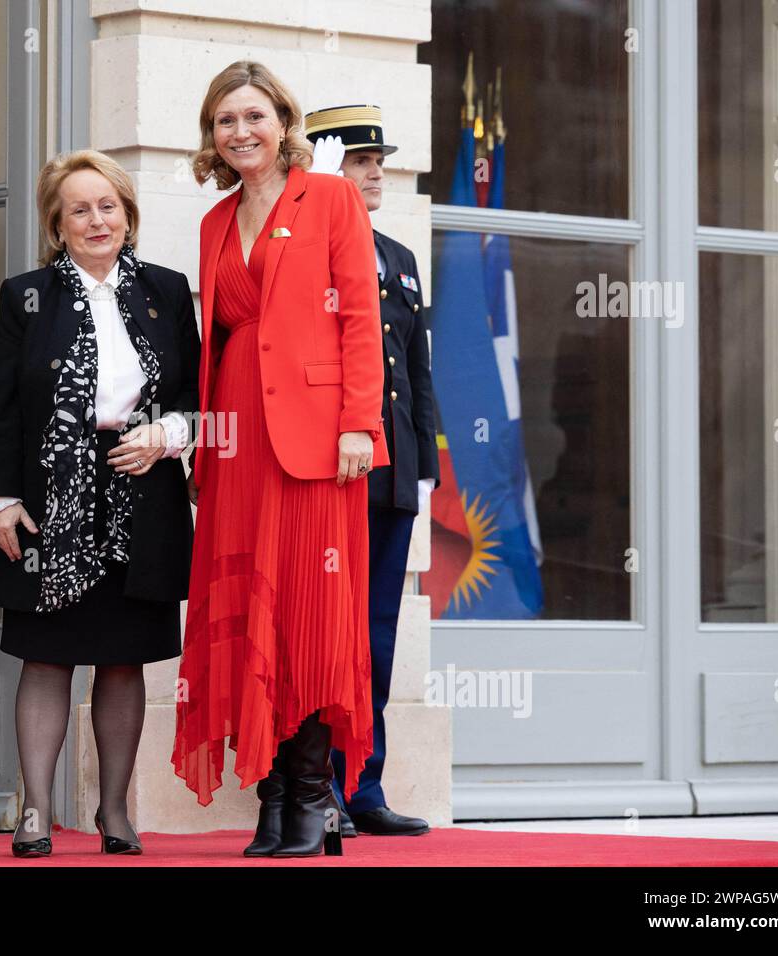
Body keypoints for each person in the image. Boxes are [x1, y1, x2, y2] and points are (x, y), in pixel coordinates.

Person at [172, 61, 388, 858]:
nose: (241, 132)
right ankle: (269, 802)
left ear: (284, 122)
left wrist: (359, 424)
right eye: (225, 120)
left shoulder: (328, 197)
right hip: (237, 442)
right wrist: (202, 446)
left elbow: (360, 316)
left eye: (254, 116)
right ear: (212, 135)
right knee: (248, 617)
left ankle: (309, 800)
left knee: (307, 615)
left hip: (320, 439)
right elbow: (219, 341)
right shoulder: (214, 222)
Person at [0, 149, 200, 858]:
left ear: (128, 217)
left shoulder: (168, 289)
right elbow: (2, 405)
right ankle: (35, 811)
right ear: (58, 224)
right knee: (45, 657)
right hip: (48, 499)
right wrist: (0, 501)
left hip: (143, 492)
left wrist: (168, 434)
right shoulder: (25, 296)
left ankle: (115, 813)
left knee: (124, 658)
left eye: (108, 206)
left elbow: (196, 393)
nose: (96, 219)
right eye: (79, 209)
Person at [305, 104, 438, 838]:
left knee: (375, 637)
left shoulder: (399, 256)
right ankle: (313, 785)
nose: (376, 170)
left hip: (390, 476)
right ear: (326, 165)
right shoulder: (309, 247)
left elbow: (415, 369)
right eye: (359, 159)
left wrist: (423, 464)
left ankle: (364, 784)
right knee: (327, 635)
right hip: (330, 472)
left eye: (378, 158)